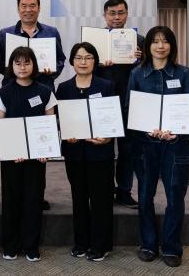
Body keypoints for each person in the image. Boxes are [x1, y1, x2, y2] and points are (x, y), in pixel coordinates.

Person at [126, 26, 189, 268]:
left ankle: (172, 247)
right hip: (145, 145)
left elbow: (188, 109)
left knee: (175, 195)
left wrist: (175, 131)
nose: (160, 46)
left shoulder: (183, 73)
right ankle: (148, 244)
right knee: (145, 195)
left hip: (175, 145)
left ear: (172, 46)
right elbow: (130, 109)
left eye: (165, 41)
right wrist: (144, 128)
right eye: (155, 41)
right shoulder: (137, 74)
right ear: (148, 46)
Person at [0, 0, 65, 211]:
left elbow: (61, 59)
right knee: (15, 145)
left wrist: (51, 70)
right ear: (18, 8)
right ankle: (15, 195)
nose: (28, 9)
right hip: (14, 92)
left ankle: (38, 194)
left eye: (32, 5)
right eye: (24, 5)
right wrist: (12, 69)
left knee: (39, 144)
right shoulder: (6, 33)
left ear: (39, 7)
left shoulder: (51, 32)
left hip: (41, 90)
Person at [0, 46, 57, 262]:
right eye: (18, 63)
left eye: (27, 62)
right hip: (12, 157)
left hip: (37, 157)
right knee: (11, 199)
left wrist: (46, 150)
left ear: (34, 65)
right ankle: (11, 245)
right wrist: (13, 150)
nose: (22, 67)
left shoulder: (44, 91)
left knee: (33, 198)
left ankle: (31, 245)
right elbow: (0, 125)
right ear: (11, 66)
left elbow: (50, 122)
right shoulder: (3, 92)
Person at [56, 42, 116, 262]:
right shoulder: (63, 88)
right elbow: (60, 118)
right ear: (72, 61)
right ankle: (81, 242)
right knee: (79, 197)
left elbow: (114, 117)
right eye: (79, 57)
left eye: (88, 57)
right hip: (75, 152)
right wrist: (66, 132)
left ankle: (101, 245)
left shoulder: (106, 85)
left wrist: (109, 136)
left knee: (101, 199)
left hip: (101, 152)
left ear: (95, 61)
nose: (83, 62)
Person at [94, 0, 144, 209]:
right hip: (102, 102)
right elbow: (84, 69)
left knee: (128, 149)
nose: (116, 17)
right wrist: (98, 63)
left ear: (127, 14)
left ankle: (124, 191)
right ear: (105, 15)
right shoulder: (95, 40)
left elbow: (149, 71)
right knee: (102, 149)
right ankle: (103, 191)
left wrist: (142, 59)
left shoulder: (139, 40)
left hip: (129, 102)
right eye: (112, 13)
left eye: (120, 12)